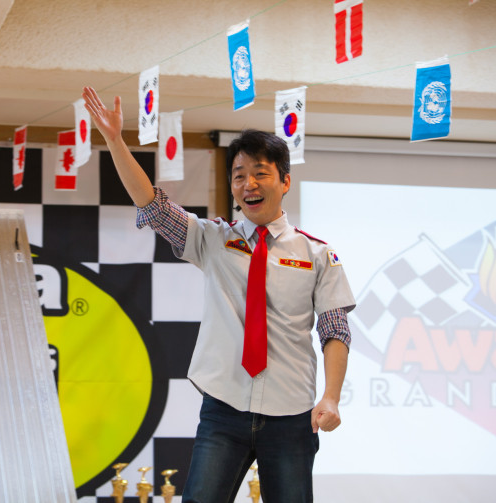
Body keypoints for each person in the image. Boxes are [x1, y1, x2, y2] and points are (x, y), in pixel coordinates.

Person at [82, 86, 356, 503]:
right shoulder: (212, 238)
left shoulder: (317, 254)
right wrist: (115, 140)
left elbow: (335, 328)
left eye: (261, 173)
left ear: (285, 181)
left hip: (292, 414)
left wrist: (331, 397)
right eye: (239, 175)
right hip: (224, 410)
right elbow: (152, 205)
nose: (249, 184)